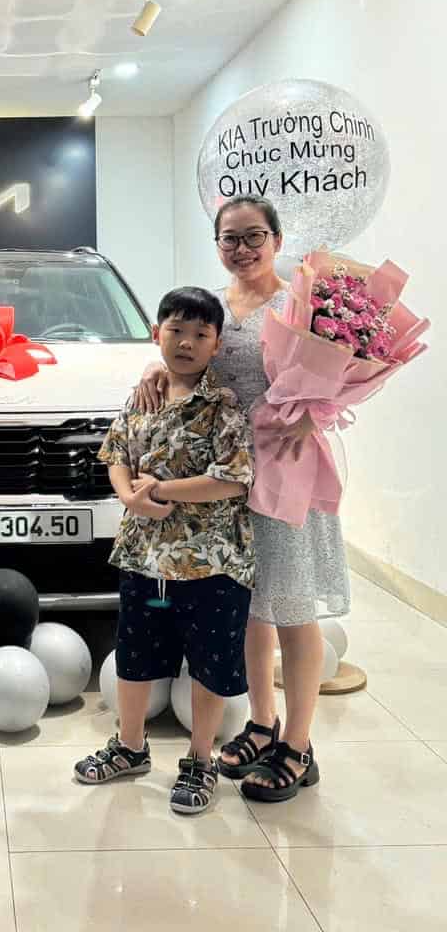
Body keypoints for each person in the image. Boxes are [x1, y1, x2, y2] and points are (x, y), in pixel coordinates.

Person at [135, 195, 349, 802]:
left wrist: (315, 414)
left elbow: (340, 380)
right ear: (217, 245)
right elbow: (189, 360)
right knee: (249, 608)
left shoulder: (304, 306)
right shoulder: (213, 307)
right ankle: (262, 723)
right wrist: (156, 370)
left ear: (277, 240)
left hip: (284, 473)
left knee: (293, 610)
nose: (242, 248)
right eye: (230, 238)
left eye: (254, 236)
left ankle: (299, 747)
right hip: (223, 481)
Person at [74, 287, 254, 815]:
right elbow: (116, 453)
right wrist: (129, 495)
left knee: (209, 663)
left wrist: (161, 489)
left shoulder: (223, 406)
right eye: (176, 330)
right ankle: (130, 747)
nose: (186, 342)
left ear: (217, 344)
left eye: (200, 333)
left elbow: (233, 478)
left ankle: (200, 759)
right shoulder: (143, 395)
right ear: (157, 334)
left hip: (212, 563)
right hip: (144, 557)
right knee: (135, 656)